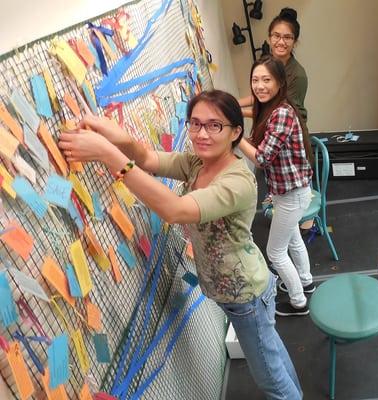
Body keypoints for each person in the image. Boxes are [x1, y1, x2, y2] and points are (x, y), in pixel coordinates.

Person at [59, 90, 303, 399]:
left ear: (235, 132)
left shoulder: (237, 180)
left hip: (247, 296)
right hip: (242, 291)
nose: (202, 133)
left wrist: (109, 155)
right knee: (273, 358)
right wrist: (118, 138)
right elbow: (147, 159)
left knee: (269, 377)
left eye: (215, 126)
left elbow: (175, 210)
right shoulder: (197, 163)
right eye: (195, 123)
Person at [238, 55, 314, 317]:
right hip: (290, 191)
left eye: (266, 80)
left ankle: (298, 301)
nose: (260, 86)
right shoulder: (271, 109)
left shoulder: (280, 112)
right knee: (292, 237)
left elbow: (261, 157)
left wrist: (234, 137)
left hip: (292, 194)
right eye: (255, 80)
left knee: (275, 252)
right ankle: (305, 280)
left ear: (280, 82)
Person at [239, 7, 308, 123]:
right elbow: (261, 93)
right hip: (269, 125)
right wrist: (234, 102)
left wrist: (238, 111)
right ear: (269, 38)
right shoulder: (267, 64)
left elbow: (281, 113)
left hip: (289, 131)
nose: (281, 42)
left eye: (287, 37)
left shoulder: (298, 75)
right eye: (276, 36)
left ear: (295, 42)